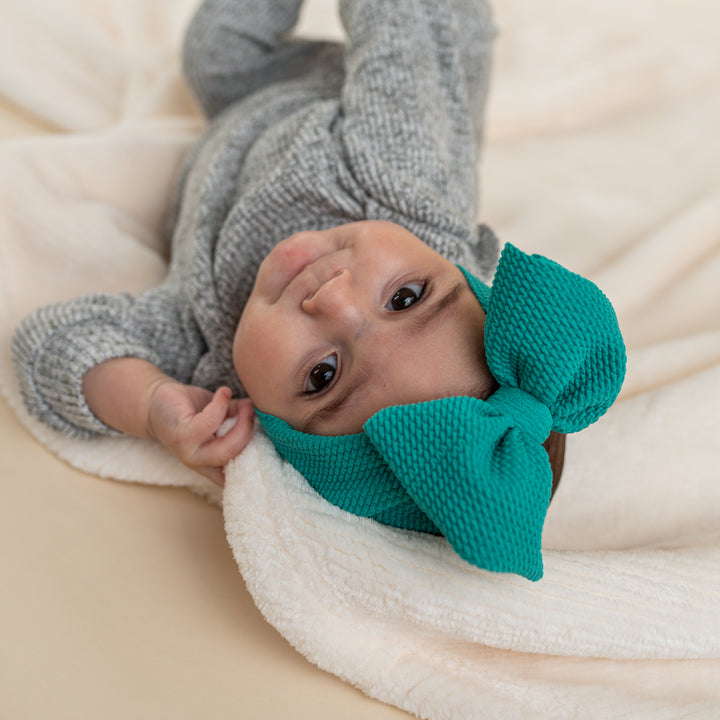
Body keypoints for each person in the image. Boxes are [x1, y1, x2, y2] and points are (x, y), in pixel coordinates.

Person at [11, 0, 625, 580]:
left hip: (243, 109)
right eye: (405, 298)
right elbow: (398, 29)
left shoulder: (214, 351)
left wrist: (150, 405)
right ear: (452, 271)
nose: (333, 297)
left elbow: (49, 347)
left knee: (213, 51)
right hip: (334, 91)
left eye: (323, 375)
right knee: (426, 36)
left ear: (280, 430)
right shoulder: (401, 174)